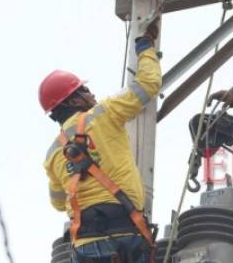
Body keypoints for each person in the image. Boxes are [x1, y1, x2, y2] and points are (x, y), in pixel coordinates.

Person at [41, 21, 161, 263]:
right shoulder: (104, 113)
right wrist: (146, 49)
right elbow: (148, 84)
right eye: (85, 90)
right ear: (74, 100)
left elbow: (56, 202)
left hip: (85, 246)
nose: (92, 95)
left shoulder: (52, 154)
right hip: (126, 235)